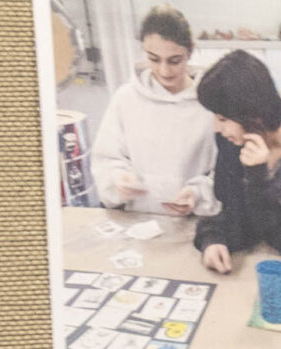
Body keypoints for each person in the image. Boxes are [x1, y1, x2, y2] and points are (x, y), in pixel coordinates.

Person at [191, 49, 281, 275]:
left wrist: (258, 178)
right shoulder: (232, 140)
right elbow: (233, 215)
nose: (217, 128)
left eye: (223, 119)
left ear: (252, 115)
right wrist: (213, 239)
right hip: (255, 262)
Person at [88, 8, 216, 216]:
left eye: (174, 60)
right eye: (154, 59)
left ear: (190, 51)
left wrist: (197, 193)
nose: (164, 71)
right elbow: (106, 160)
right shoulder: (126, 99)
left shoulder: (210, 102)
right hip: (138, 221)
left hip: (195, 224)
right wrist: (119, 178)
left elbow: (225, 171)